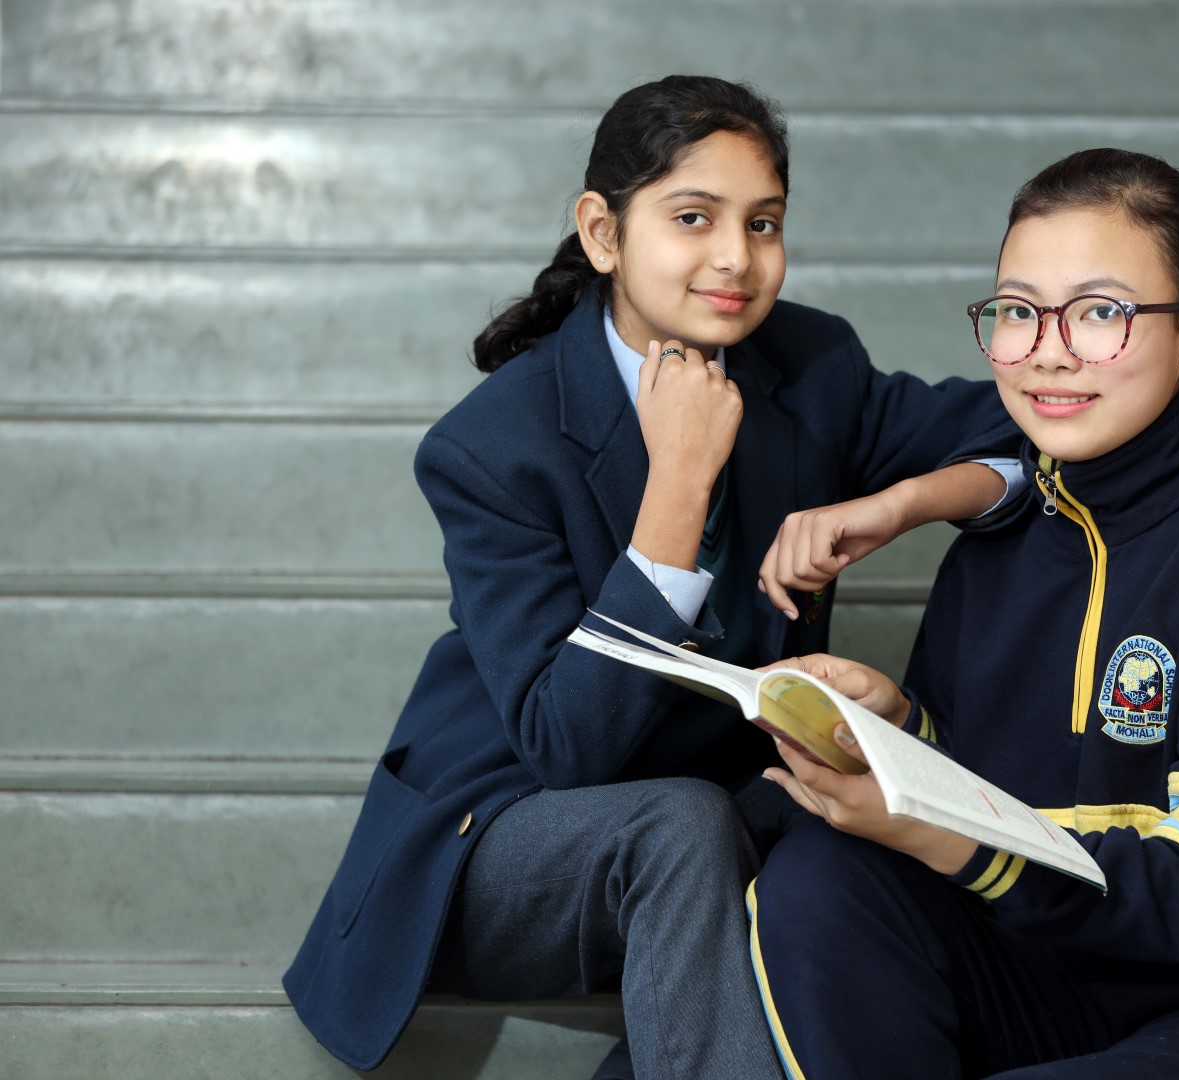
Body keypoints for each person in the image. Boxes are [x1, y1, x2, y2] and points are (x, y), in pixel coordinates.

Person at [282, 75, 1019, 1077]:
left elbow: (1036, 419)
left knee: (857, 826)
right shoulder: (492, 447)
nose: (737, 256)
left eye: (764, 222)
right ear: (602, 232)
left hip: (723, 811)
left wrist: (904, 503)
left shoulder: (811, 364)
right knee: (682, 826)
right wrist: (678, 481)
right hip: (502, 839)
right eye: (692, 217)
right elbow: (568, 748)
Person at [750, 148, 1179, 1079]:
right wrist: (900, 726)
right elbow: (996, 781)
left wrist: (927, 828)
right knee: (818, 878)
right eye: (1018, 311)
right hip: (1053, 983)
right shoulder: (999, 543)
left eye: (1101, 312)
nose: (1049, 350)